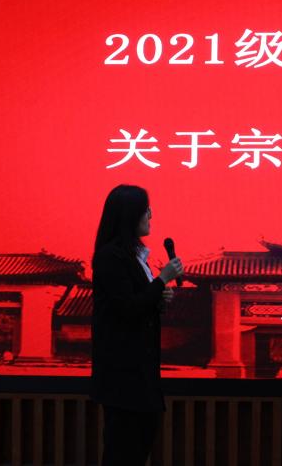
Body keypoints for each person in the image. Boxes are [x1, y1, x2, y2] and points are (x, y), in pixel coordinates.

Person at [89, 184, 184, 466]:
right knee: (123, 453)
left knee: (139, 449)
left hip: (142, 376)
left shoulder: (137, 257)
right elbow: (126, 308)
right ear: (130, 215)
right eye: (146, 210)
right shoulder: (110, 257)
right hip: (123, 378)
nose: (151, 215)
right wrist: (162, 279)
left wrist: (158, 299)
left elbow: (139, 304)